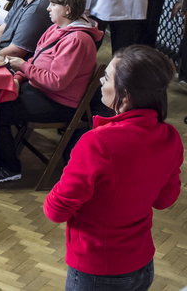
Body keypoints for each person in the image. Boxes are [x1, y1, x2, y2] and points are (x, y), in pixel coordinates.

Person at [44, 45, 182, 290]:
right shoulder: (169, 136)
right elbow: (164, 200)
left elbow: (56, 210)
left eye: (106, 77)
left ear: (126, 95)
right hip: (141, 263)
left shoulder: (97, 142)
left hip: (98, 268)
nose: (100, 81)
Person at [0, 0, 102, 184]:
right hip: (40, 89)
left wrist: (23, 67)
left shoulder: (77, 39)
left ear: (67, 9)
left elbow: (57, 81)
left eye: (53, 4)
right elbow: (37, 60)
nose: (48, 8)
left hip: (60, 102)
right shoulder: (56, 28)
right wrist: (19, 77)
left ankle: (9, 167)